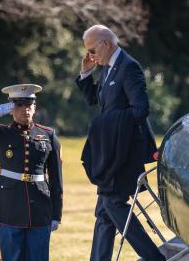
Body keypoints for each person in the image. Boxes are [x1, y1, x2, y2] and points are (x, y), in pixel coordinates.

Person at [76, 25, 165, 261]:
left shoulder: (129, 67)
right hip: (111, 151)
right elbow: (96, 99)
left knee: (113, 204)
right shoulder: (105, 68)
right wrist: (86, 74)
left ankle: (155, 258)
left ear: (106, 44)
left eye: (92, 51)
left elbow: (141, 109)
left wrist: (106, 123)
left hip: (126, 151)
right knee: (104, 212)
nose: (91, 56)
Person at [0, 84, 63, 261]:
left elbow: (56, 179)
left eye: (29, 105)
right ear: (10, 109)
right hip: (9, 207)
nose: (25, 110)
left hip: (40, 208)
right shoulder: (0, 133)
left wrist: (56, 214)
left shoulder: (48, 135)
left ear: (35, 107)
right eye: (19, 105)